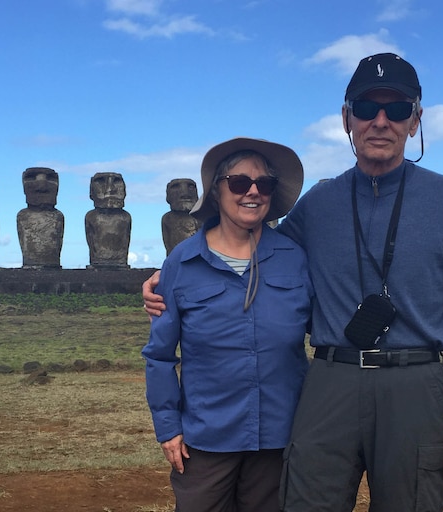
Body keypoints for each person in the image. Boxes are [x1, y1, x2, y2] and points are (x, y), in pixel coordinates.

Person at [144, 54, 443, 511]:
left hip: (415, 381)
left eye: (398, 109)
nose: (380, 121)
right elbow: (253, 249)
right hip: (331, 379)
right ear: (347, 118)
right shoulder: (319, 202)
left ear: (416, 120)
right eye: (367, 108)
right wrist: (172, 272)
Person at [142, 137, 313, 512]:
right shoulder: (182, 263)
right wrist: (168, 427)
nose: (252, 192)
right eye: (239, 183)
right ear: (217, 191)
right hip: (205, 438)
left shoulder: (294, 259)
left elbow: (327, 329)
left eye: (264, 184)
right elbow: (159, 355)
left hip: (279, 435)